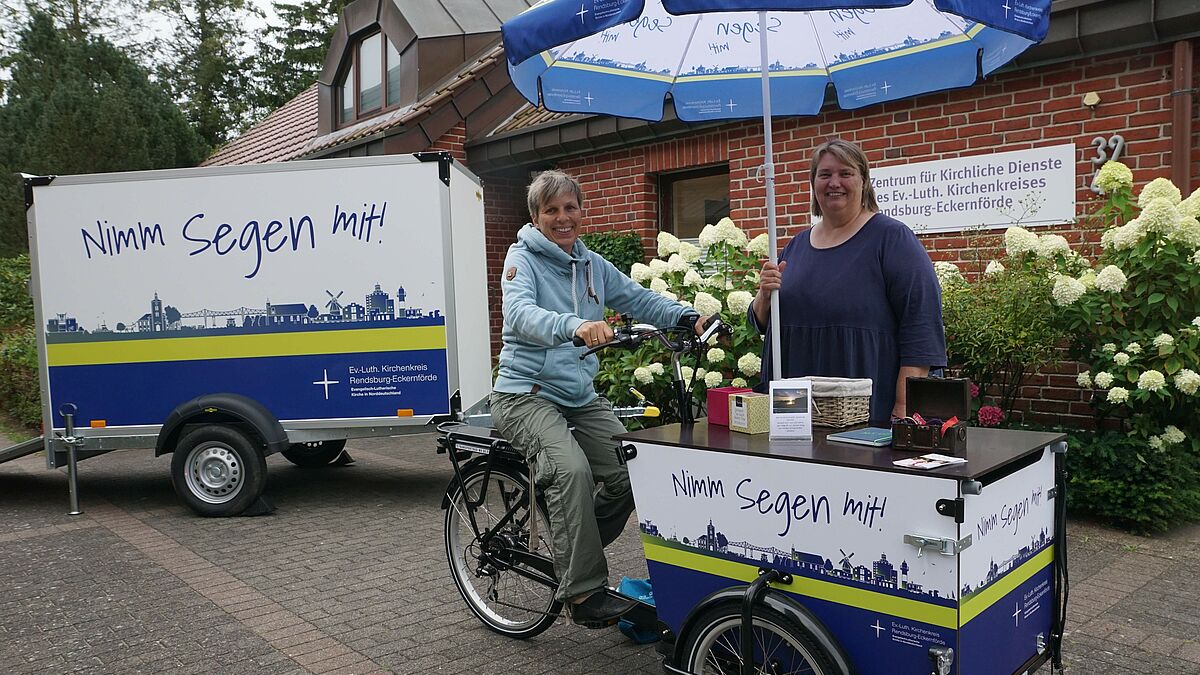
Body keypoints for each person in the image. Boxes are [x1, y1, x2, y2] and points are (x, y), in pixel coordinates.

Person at [490, 169, 708, 627]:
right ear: (536, 216)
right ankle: (584, 592)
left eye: (571, 207)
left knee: (634, 467)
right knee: (571, 469)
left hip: (578, 395)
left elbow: (639, 299)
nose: (562, 217)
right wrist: (574, 326)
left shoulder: (592, 264)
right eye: (552, 210)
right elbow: (520, 314)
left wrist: (688, 316)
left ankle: (572, 549)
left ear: (581, 213)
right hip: (524, 394)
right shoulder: (521, 259)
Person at [749, 139, 946, 426]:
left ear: (864, 181)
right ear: (814, 183)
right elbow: (763, 323)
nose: (834, 183)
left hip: (865, 406)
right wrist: (764, 296)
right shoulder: (796, 246)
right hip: (795, 408)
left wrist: (904, 405)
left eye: (845, 173)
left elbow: (921, 326)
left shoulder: (892, 240)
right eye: (825, 174)